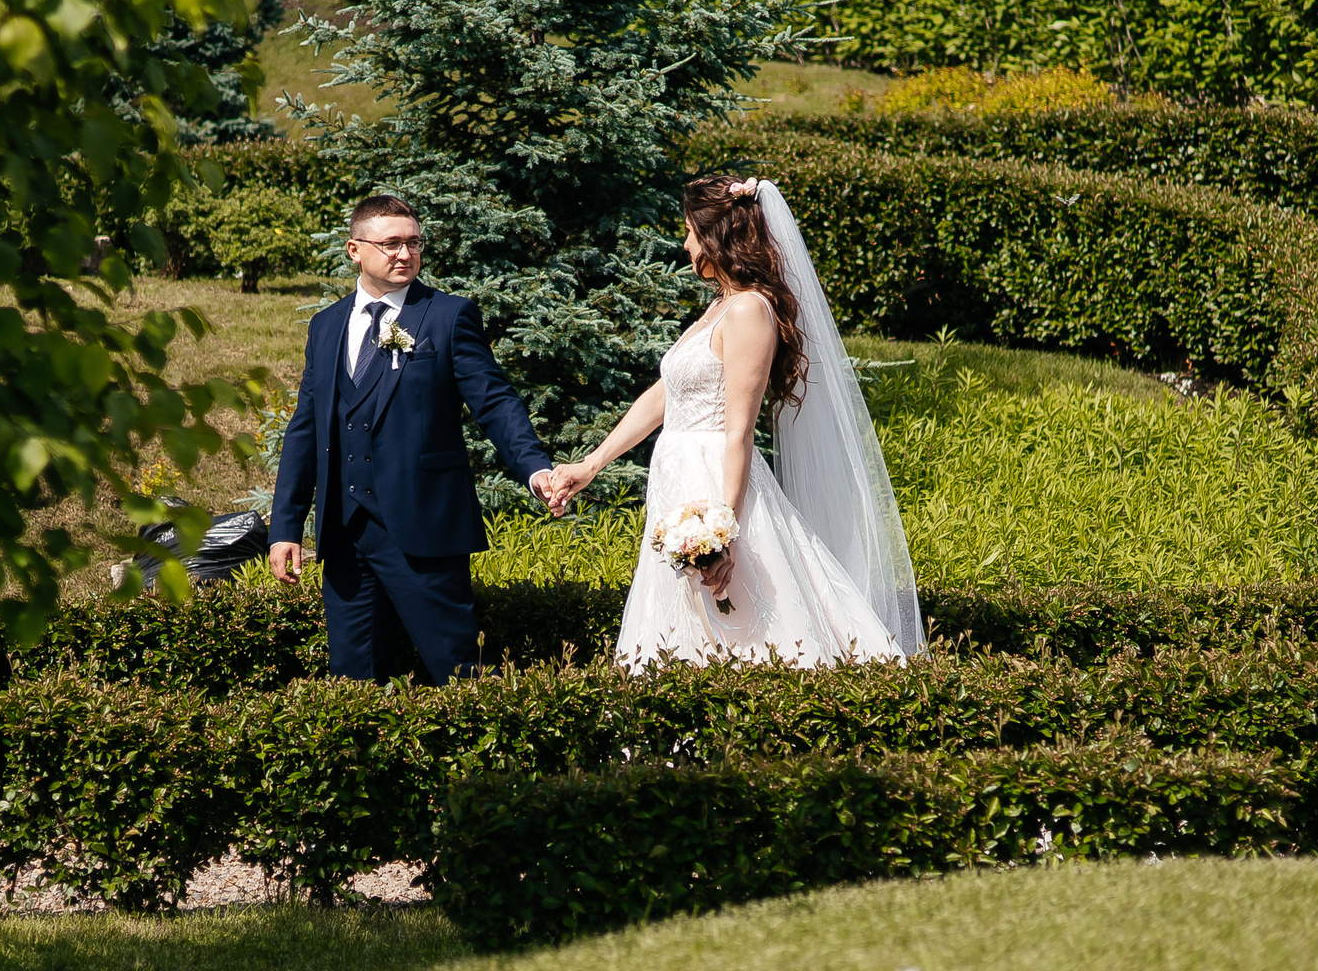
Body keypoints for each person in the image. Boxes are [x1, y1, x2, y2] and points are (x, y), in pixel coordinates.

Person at [551, 176, 923, 668]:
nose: (684, 243)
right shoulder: (718, 307)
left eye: (689, 231)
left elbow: (739, 431)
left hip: (714, 483)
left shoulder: (748, 310)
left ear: (715, 236)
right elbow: (668, 394)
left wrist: (723, 531)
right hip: (678, 479)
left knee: (748, 628)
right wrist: (592, 464)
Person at [267, 194, 563, 682]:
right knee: (352, 681)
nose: (404, 254)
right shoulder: (325, 326)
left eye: (413, 243)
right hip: (344, 533)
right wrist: (285, 528)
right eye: (390, 244)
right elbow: (305, 428)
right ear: (354, 249)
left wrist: (534, 468)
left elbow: (494, 401)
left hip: (424, 528)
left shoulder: (447, 316)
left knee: (459, 672)